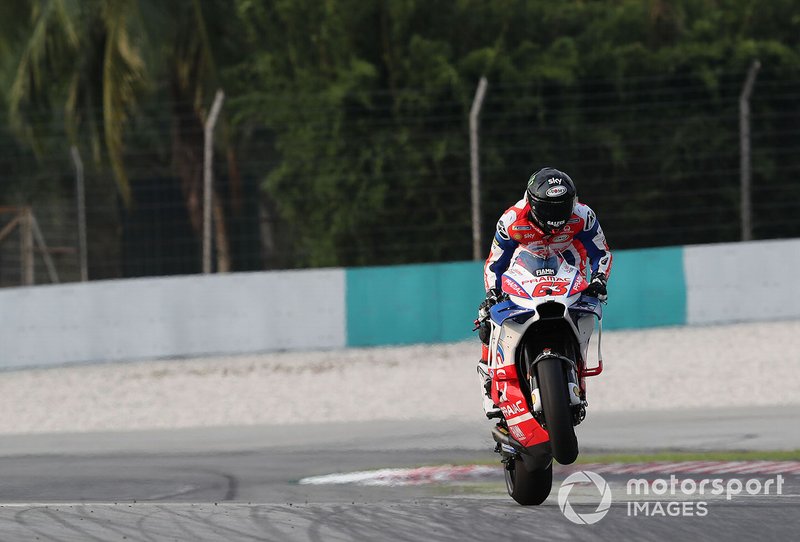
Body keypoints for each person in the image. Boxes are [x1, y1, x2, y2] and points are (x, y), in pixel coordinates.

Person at [475, 167, 612, 417]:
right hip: (524, 274)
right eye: (550, 208)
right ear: (533, 203)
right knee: (487, 318)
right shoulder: (511, 221)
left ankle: (577, 370)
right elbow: (495, 263)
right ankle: (489, 381)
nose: (558, 216)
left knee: (585, 312)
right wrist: (492, 293)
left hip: (569, 271)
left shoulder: (584, 216)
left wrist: (600, 279)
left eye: (563, 206)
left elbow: (600, 252)